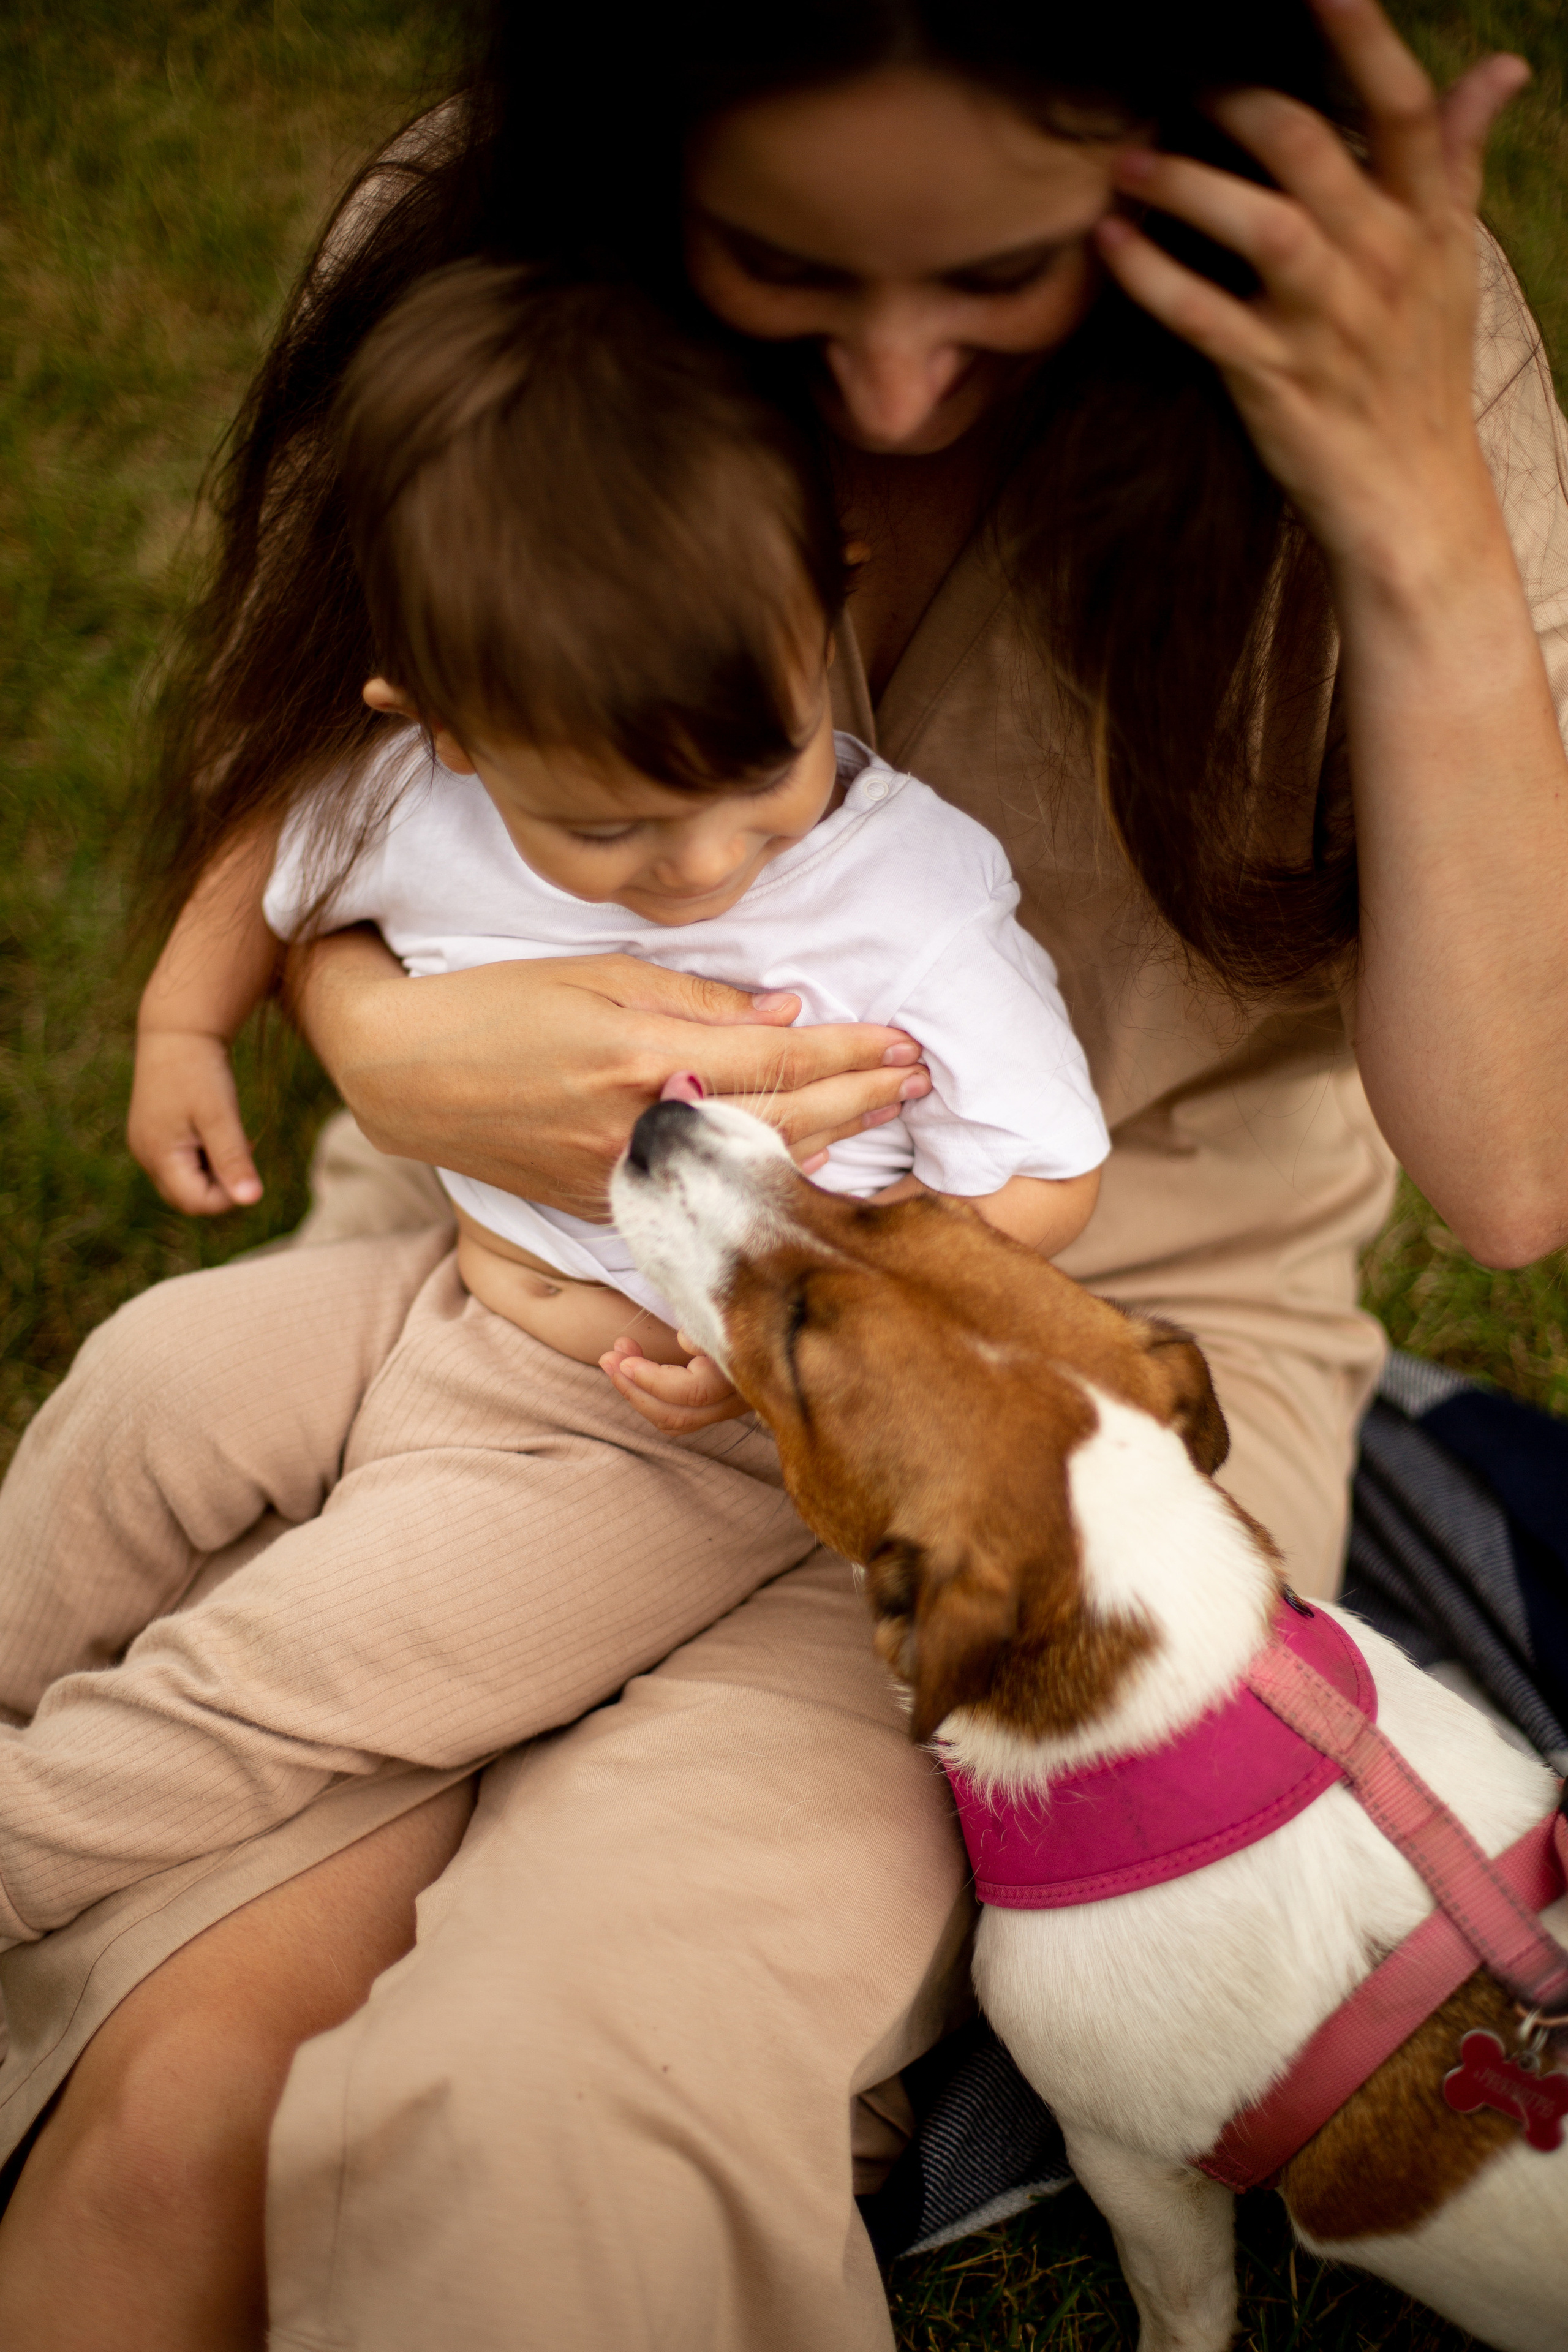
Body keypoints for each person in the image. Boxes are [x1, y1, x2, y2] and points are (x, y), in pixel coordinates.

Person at [4, 2, 1567, 2346]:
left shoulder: (1383, 352)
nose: (909, 386)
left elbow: (1515, 1166)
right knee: (174, 2132)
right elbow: (331, 793)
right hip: (501, 1268)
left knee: (545, 2115)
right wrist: (390, 1045)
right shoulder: (491, 290)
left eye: (1004, 277)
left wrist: (1415, 520)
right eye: (793, 275)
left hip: (1034, 1423)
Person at [0, 260, 1107, 1950]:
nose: (704, 863)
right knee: (151, 1380)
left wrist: (817, 1325)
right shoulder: (423, 791)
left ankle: (28, 1843)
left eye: (761, 782)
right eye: (608, 834)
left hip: (678, 1441)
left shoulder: (912, 900)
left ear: (829, 607)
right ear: (438, 727)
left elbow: (1045, 1182)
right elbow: (278, 841)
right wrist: (180, 1025)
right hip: (438, 1281)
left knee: (309, 1654)